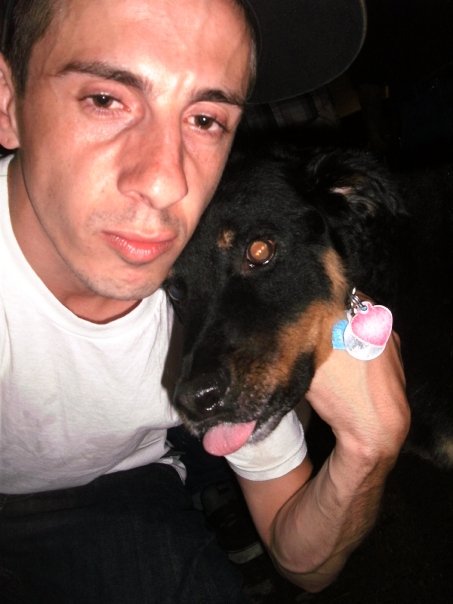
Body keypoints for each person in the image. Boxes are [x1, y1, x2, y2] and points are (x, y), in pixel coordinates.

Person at [0, 1, 410, 603]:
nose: (166, 181)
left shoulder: (207, 294)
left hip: (120, 489)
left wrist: (369, 449)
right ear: (9, 103)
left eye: (205, 118)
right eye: (106, 99)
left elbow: (303, 564)